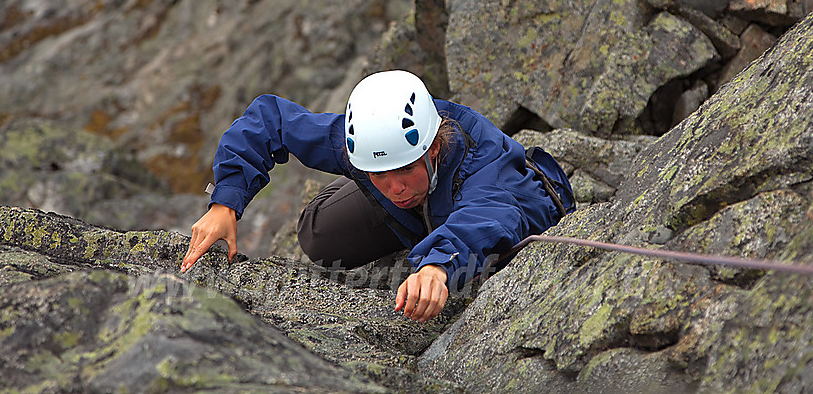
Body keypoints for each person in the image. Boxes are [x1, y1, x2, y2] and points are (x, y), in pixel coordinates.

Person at [181, 70, 574, 323]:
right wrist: (224, 204)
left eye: (404, 169)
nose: (394, 186)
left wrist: (437, 267)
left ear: (433, 148)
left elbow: (487, 216)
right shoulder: (366, 139)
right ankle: (415, 220)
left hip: (491, 216)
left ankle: (430, 239)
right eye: (378, 174)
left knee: (474, 240)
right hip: (426, 211)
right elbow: (269, 120)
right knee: (319, 235)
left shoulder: (483, 164)